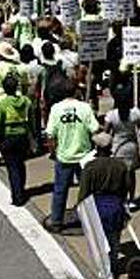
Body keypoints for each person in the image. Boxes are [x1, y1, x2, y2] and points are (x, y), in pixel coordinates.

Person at [42, 78, 99, 231]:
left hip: (64, 155)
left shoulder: (56, 109)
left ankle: (56, 221)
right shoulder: (85, 107)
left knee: (60, 190)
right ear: (76, 91)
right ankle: (92, 219)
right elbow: (95, 129)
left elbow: (50, 134)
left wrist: (53, 152)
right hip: (84, 156)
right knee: (87, 190)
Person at [77, 132, 132, 279]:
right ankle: (113, 266)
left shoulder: (90, 167)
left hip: (97, 207)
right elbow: (126, 187)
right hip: (115, 205)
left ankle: (106, 274)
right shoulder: (120, 165)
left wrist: (81, 211)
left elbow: (84, 192)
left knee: (100, 243)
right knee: (114, 240)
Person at [0, 71, 34, 205]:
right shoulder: (26, 101)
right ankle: (21, 188)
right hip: (23, 136)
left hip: (8, 137)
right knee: (21, 164)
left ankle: (17, 196)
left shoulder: (2, 104)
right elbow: (31, 121)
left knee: (12, 167)